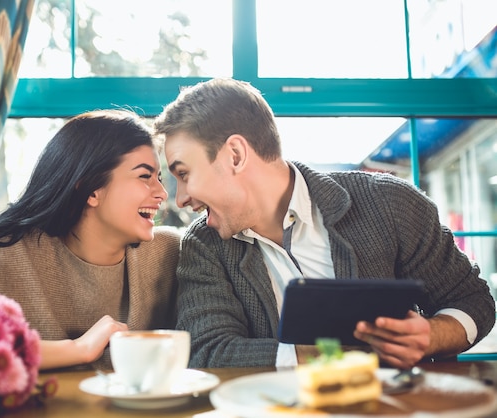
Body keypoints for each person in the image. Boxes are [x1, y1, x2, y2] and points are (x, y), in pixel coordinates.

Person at [153, 78, 496, 370]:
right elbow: (208, 351)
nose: (180, 198)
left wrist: (430, 335)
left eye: (183, 174)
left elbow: (473, 301)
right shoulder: (203, 244)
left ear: (235, 155)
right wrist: (338, 354)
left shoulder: (390, 202)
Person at [0, 110, 180, 370]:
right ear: (91, 190)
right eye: (145, 176)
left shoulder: (169, 253)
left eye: (159, 177)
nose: (161, 193)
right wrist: (77, 349)